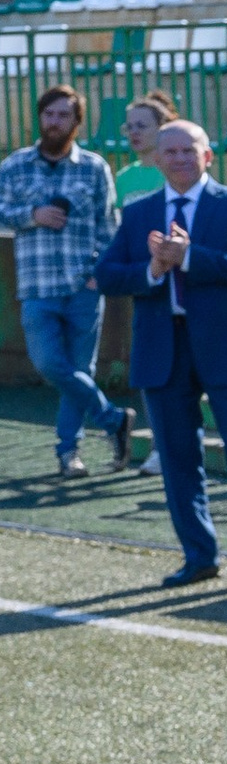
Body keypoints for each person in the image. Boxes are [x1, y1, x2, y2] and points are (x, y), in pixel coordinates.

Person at [95, 119, 227, 589]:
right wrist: (152, 268)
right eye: (171, 152)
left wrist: (189, 257)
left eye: (190, 151)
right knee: (179, 459)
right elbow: (107, 275)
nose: (180, 159)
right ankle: (198, 555)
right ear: (158, 159)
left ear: (208, 156)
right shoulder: (139, 211)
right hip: (163, 349)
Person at [0, 84, 131, 477]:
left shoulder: (94, 167)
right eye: (49, 114)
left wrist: (99, 275)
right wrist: (32, 215)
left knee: (80, 369)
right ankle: (113, 419)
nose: (54, 122)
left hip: (83, 285)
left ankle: (68, 453)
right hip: (36, 285)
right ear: (40, 118)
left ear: (76, 122)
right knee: (50, 365)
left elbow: (109, 226)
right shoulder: (14, 165)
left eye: (63, 115)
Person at [116, 91, 182, 205]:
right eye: (129, 127)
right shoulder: (124, 177)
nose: (134, 132)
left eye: (141, 126)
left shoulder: (175, 173)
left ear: (161, 128)